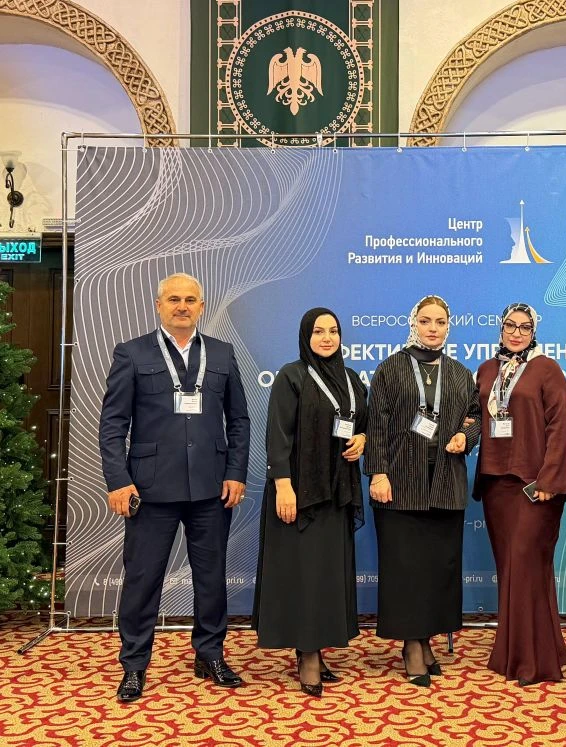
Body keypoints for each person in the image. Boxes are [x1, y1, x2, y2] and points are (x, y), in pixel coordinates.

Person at [99, 272, 250, 703]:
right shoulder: (131, 353)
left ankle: (210, 654)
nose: (182, 306)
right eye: (173, 299)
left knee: (211, 577)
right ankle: (134, 665)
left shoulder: (222, 352)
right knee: (142, 579)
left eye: (190, 300)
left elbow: (239, 420)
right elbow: (113, 425)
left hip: (211, 487)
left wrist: (235, 472)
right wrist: (119, 480)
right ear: (159, 305)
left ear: (201, 306)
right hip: (149, 490)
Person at [364, 295, 481, 687]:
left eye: (440, 322)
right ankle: (411, 646)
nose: (433, 328)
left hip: (445, 483)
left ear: (449, 327)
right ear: (414, 323)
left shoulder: (460, 373)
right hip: (400, 485)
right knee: (406, 570)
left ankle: (426, 639)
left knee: (437, 570)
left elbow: (475, 416)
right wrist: (378, 474)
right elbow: (376, 425)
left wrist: (466, 436)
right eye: (426, 321)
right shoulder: (391, 368)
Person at [251, 308, 367, 697]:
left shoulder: (351, 379)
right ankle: (308, 654)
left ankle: (318, 644)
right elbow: (278, 435)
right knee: (303, 576)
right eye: (319, 331)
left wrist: (363, 439)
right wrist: (283, 486)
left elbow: (363, 422)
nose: (327, 338)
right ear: (306, 336)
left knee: (326, 575)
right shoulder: (292, 375)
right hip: (300, 492)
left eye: (333, 331)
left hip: (337, 492)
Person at [473, 303, 566, 686]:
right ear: (500, 329)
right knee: (510, 571)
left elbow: (560, 426)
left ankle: (535, 660)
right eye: (510, 326)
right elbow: (474, 419)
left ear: (534, 332)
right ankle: (517, 653)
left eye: (525, 327)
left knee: (527, 566)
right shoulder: (487, 370)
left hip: (536, 487)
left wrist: (549, 480)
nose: (516, 333)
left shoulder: (547, 369)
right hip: (496, 485)